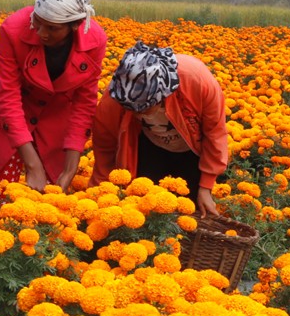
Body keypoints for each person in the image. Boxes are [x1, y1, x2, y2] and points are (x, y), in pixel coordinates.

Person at [0, 0, 106, 282]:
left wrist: (70, 168)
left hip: (52, 127)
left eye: (51, 28)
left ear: (75, 25)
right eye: (37, 22)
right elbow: (8, 96)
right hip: (3, 125)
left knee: (43, 220)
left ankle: (31, 291)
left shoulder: (94, 40)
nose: (40, 32)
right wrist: (32, 165)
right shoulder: (14, 29)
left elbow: (84, 104)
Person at [91, 42, 225, 216]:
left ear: (162, 95)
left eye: (143, 108)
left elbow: (215, 133)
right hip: (149, 146)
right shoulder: (116, 97)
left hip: (193, 150)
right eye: (132, 109)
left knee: (194, 209)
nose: (138, 114)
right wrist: (99, 194)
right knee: (145, 205)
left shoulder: (196, 81)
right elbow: (104, 146)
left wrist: (206, 186)